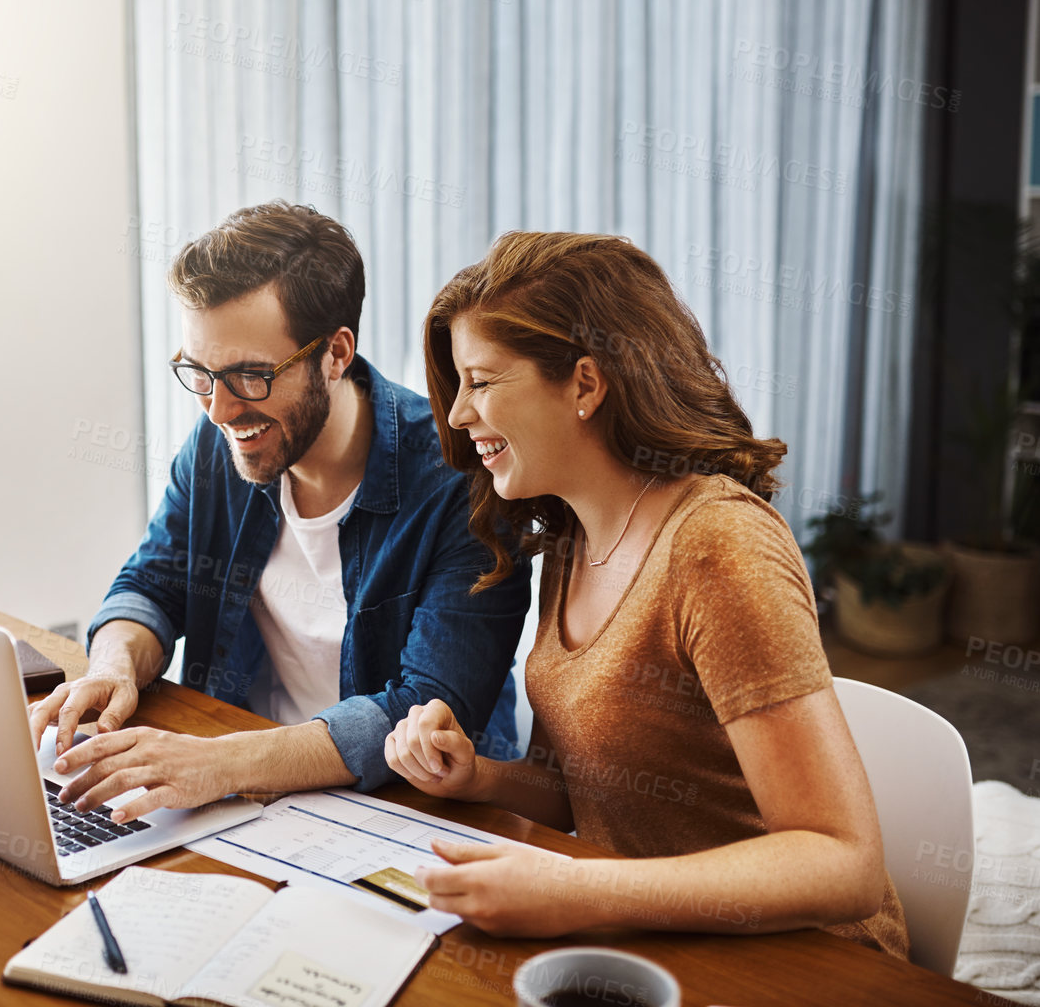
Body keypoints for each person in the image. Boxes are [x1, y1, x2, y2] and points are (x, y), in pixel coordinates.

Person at [384, 230, 908, 956]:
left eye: (480, 380)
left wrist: (572, 892)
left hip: (807, 963)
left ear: (585, 385)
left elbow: (841, 864)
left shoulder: (716, 547)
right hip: (653, 940)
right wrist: (477, 777)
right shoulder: (571, 538)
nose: (456, 415)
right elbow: (582, 789)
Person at [28, 200, 531, 823]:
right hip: (238, 798)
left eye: (250, 377)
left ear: (336, 354)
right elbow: (151, 584)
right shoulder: (225, 444)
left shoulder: (459, 478)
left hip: (410, 815)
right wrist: (114, 665)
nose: (218, 411)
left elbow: (428, 707)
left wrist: (221, 763)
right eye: (201, 374)